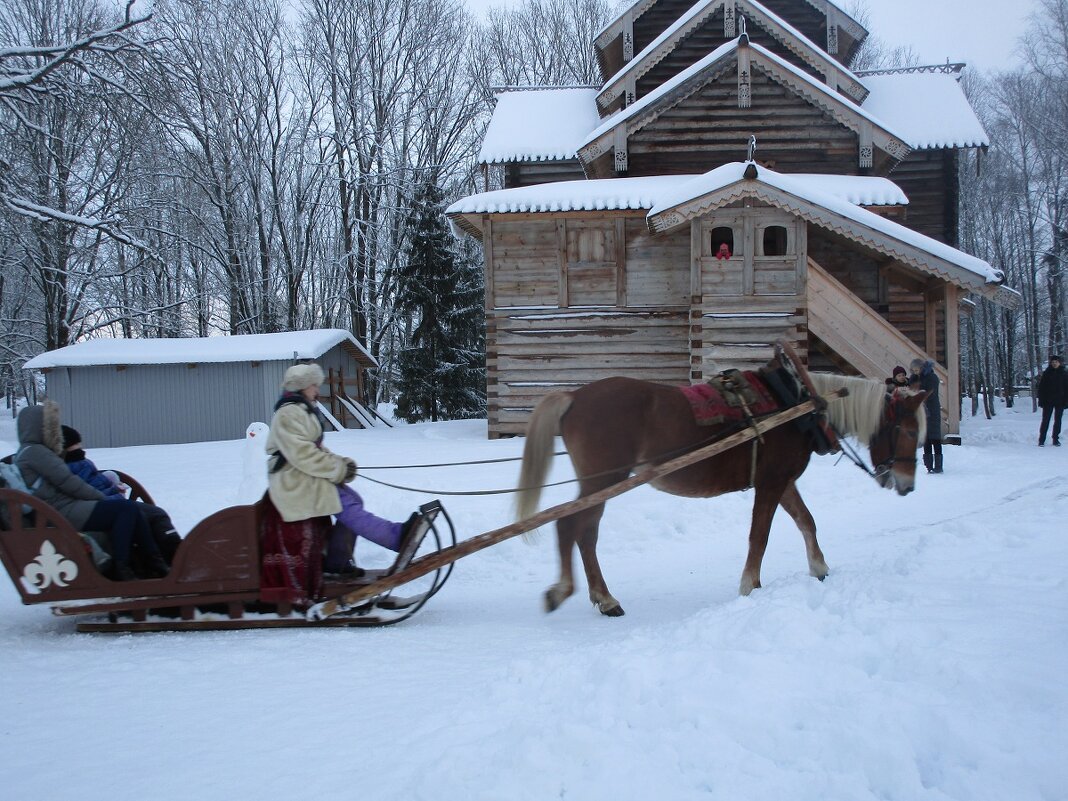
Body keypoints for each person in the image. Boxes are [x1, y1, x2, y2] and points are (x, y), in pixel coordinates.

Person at [263, 363, 420, 602]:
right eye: (314, 385)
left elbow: (315, 449)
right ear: (303, 387)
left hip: (304, 476)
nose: (317, 390)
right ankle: (394, 536)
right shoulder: (289, 413)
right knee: (346, 504)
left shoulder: (301, 410)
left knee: (353, 499)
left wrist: (341, 464)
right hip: (294, 480)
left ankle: (337, 562)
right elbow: (302, 454)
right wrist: (337, 468)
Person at [16, 402, 169, 581]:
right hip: (61, 511)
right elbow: (70, 482)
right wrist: (101, 498)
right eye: (50, 426)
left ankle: (152, 562)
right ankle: (125, 567)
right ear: (39, 427)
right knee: (126, 509)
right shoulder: (36, 453)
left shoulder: (27, 452)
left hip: (59, 508)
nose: (54, 431)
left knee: (128, 509)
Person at [60, 425, 182, 563]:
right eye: (76, 447)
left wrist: (112, 486)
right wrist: (114, 494)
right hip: (106, 506)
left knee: (153, 515)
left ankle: (171, 550)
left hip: (109, 502)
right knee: (155, 515)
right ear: (65, 449)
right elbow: (89, 492)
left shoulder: (80, 464)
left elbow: (95, 485)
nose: (80, 450)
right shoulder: (73, 468)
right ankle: (173, 552)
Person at [910, 358, 943, 473]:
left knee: (935, 439)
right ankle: (929, 466)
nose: (915, 372)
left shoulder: (932, 378)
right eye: (913, 370)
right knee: (926, 439)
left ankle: (938, 466)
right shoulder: (915, 378)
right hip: (922, 411)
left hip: (932, 411)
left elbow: (928, 393)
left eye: (917, 370)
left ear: (922, 368)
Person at [1037, 354, 1067, 447]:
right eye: (1053, 362)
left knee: (1058, 421)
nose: (1054, 364)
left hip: (1060, 401)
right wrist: (1041, 400)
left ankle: (1055, 439)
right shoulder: (1047, 373)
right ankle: (1042, 440)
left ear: (1059, 363)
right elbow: (1041, 388)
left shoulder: (1064, 373)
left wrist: (1066, 401)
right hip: (1048, 401)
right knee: (1045, 420)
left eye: (1056, 362)